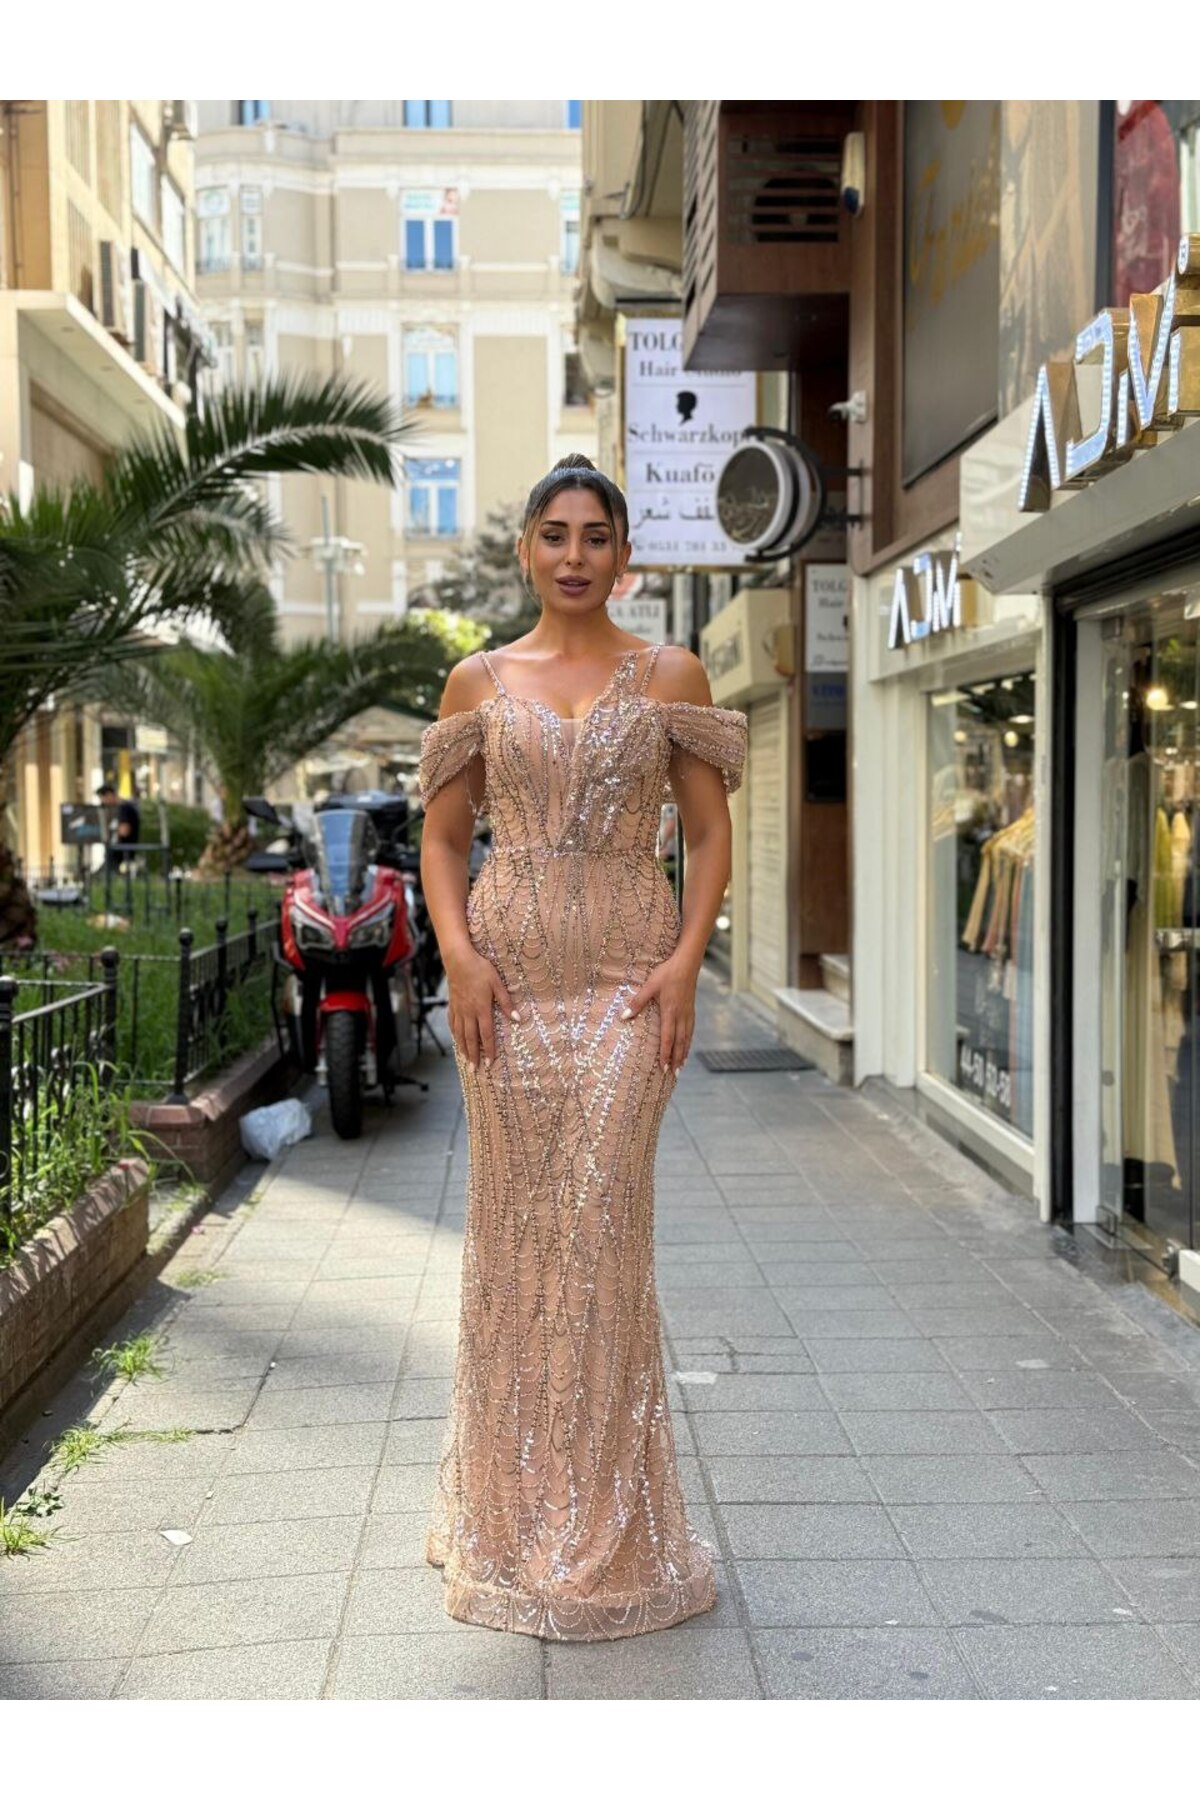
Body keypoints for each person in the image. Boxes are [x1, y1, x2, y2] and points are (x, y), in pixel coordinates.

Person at [417, 452, 747, 1642]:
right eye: (553, 535)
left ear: (624, 554)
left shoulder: (670, 673)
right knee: (515, 1240)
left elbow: (706, 835)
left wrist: (686, 962)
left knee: (600, 1231)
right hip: (505, 996)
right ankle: (509, 1518)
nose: (573, 555)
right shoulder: (477, 680)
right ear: (525, 551)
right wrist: (458, 956)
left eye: (594, 536)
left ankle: (606, 1530)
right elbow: (444, 840)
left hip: (625, 986)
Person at [96, 782, 140, 872]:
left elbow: (124, 831)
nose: (103, 802)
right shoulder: (117, 809)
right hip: (116, 853)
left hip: (123, 854)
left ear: (110, 795)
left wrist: (111, 830)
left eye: (103, 798)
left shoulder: (125, 808)